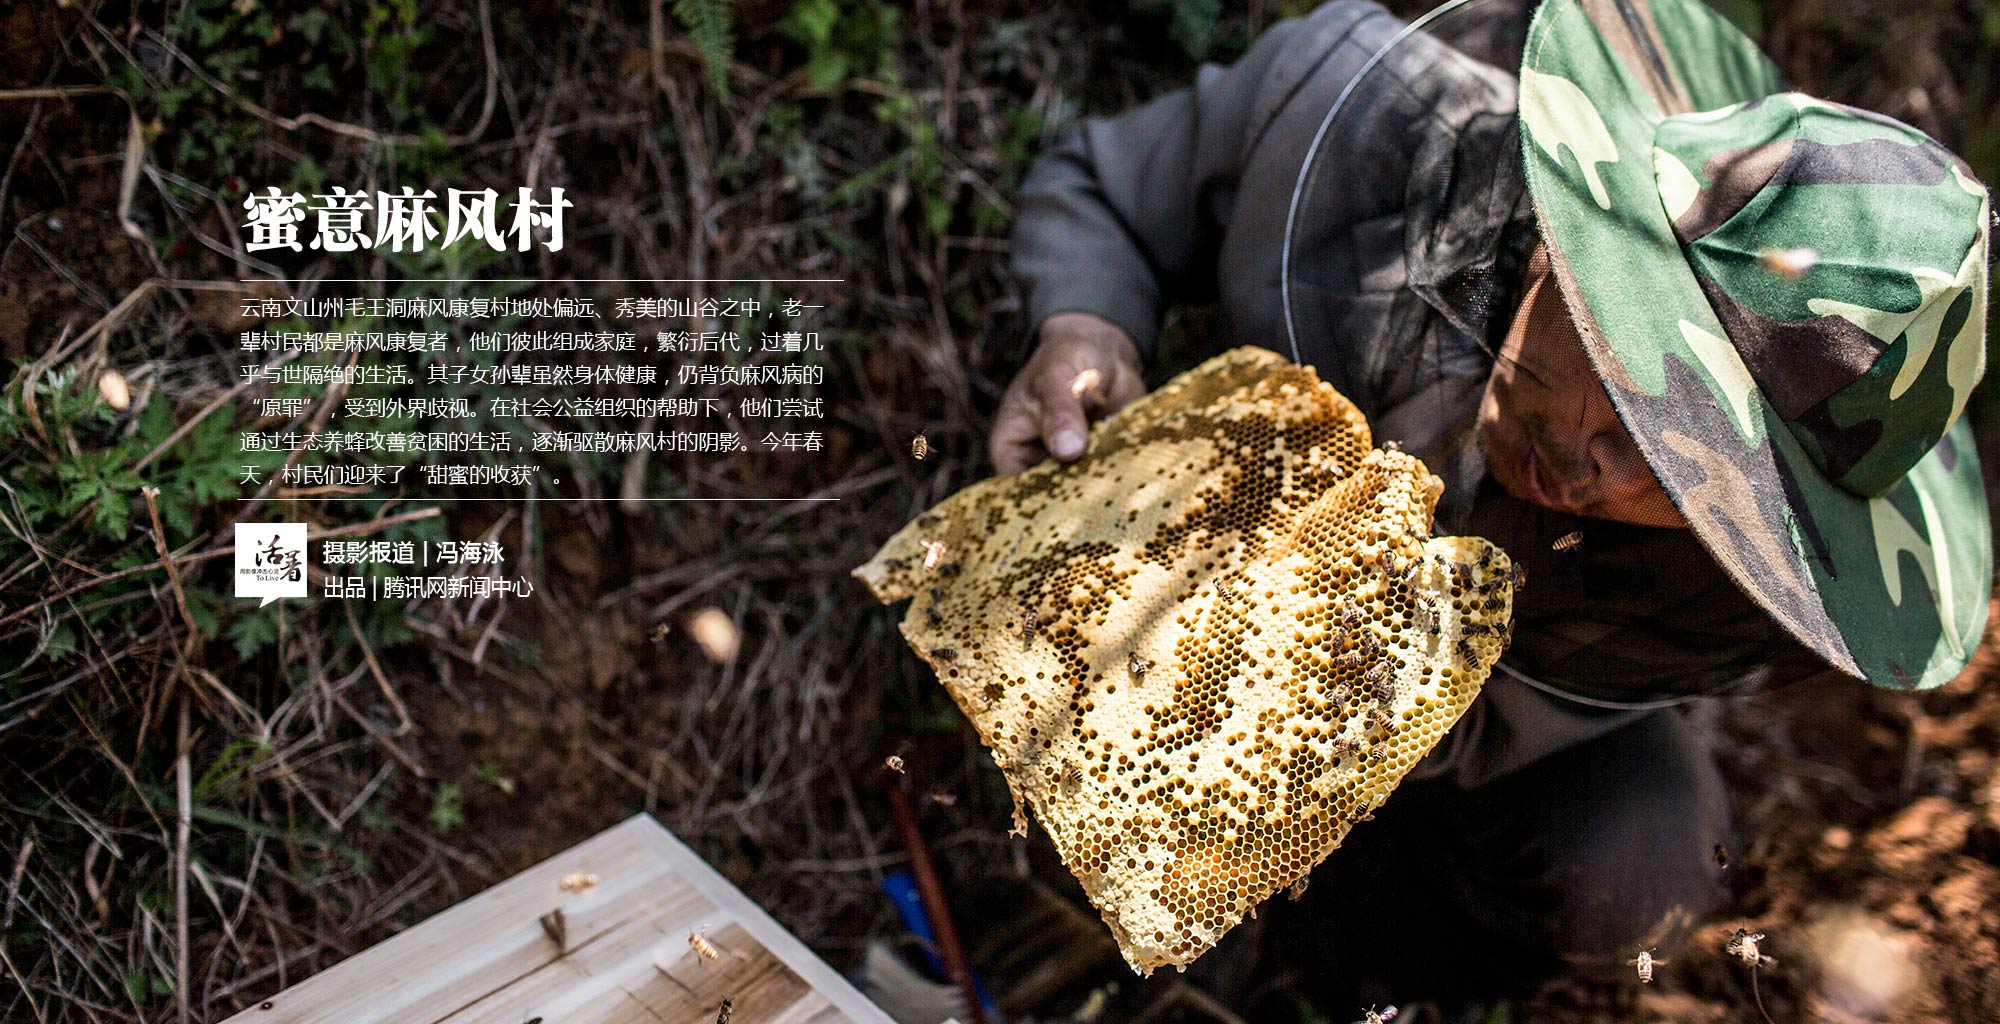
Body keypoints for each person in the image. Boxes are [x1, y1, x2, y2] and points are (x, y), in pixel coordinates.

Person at [992, 0, 1992, 1010]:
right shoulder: (1375, 130)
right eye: (1631, 380)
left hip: (1444, 733)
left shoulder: (1725, 593)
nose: (1603, 470)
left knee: (1634, 861)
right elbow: (1107, 187)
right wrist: (1085, 326)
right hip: (1179, 552)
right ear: (1571, 247)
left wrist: (1336, 720)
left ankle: (1321, 967)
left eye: (1699, 481)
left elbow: (1516, 717)